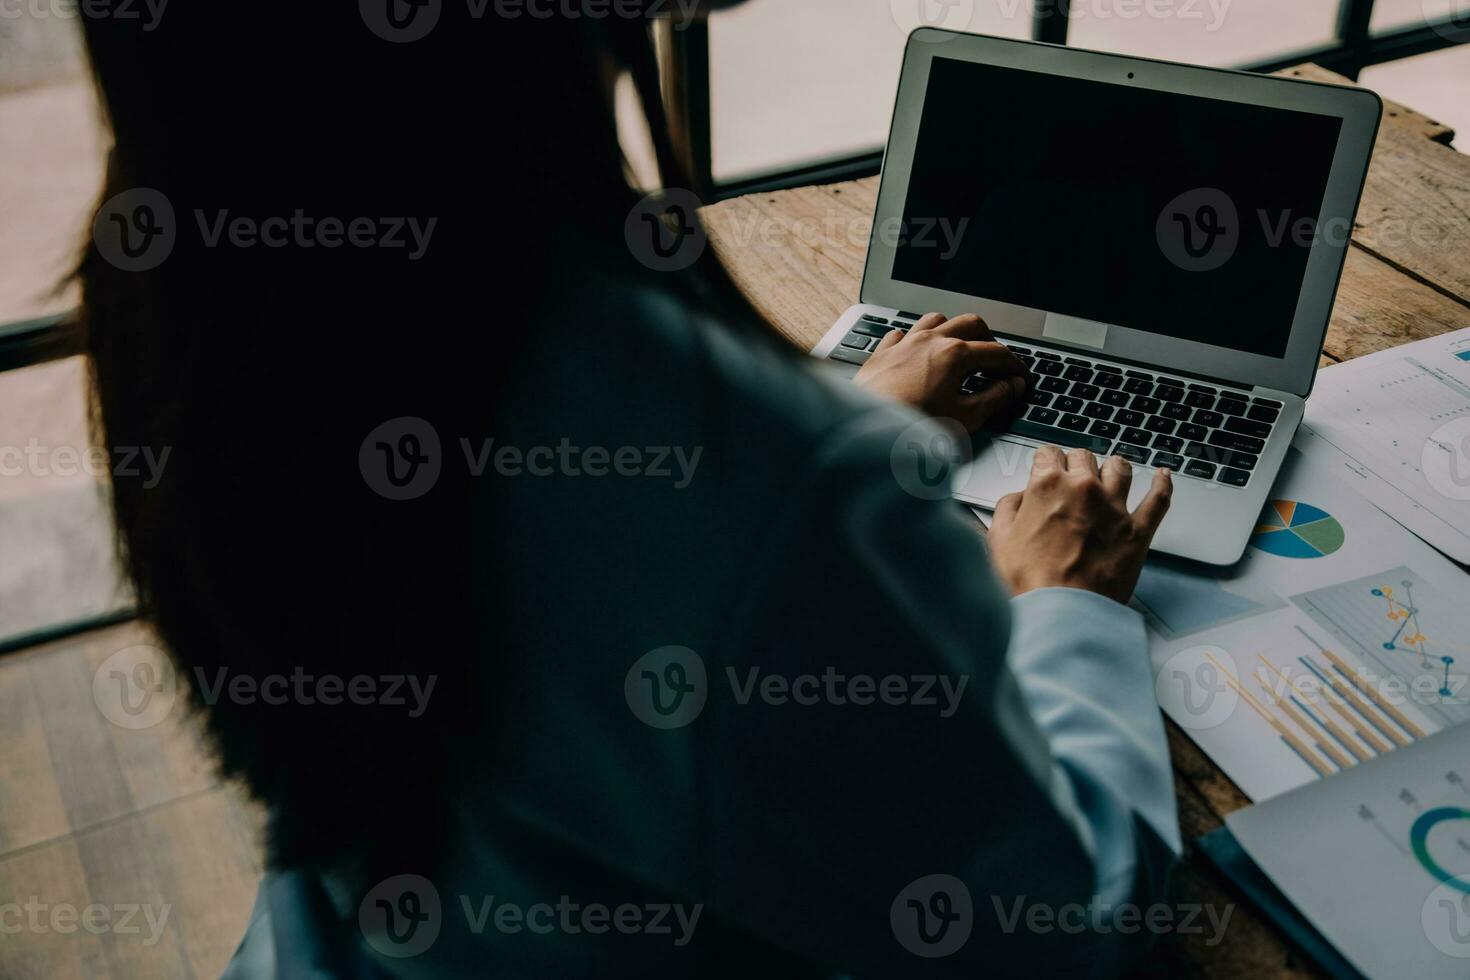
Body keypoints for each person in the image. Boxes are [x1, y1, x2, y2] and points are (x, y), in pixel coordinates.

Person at [76, 4, 1177, 976]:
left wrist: (862, 435)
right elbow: (1056, 934)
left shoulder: (196, 283)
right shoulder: (760, 473)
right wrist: (1066, 605)